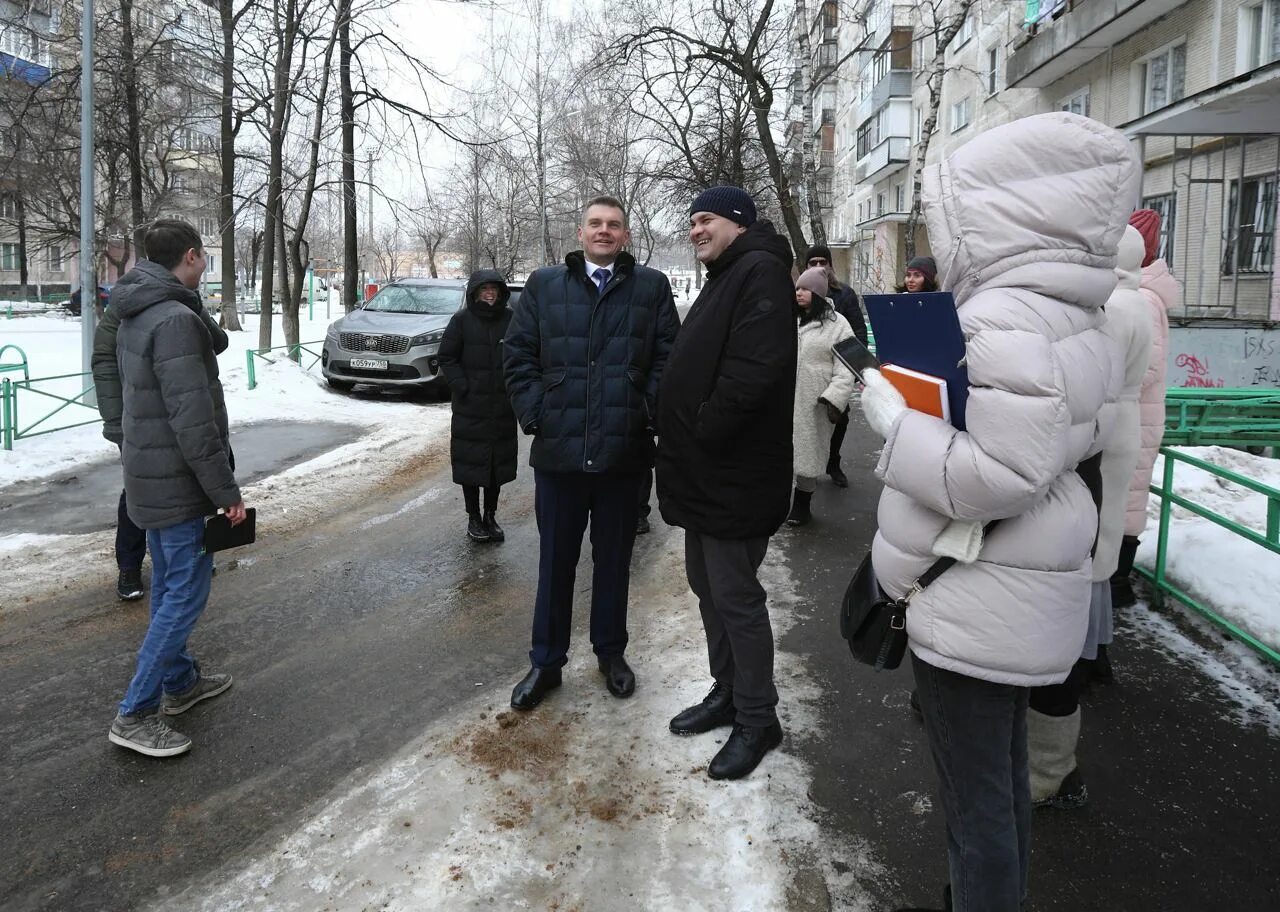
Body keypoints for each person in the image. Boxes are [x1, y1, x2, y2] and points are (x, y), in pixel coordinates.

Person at [861, 113, 1137, 912]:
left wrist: (896, 419)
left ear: (990, 214)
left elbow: (998, 475)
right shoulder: (1077, 313)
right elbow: (1067, 440)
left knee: (975, 800)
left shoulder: (1004, 316)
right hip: (1019, 588)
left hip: (977, 593)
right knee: (1000, 784)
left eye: (948, 214)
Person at [503, 195, 680, 710]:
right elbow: (517, 356)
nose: (604, 231)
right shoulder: (545, 286)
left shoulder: (650, 287)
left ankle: (610, 652)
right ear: (580, 233)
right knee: (555, 563)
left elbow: (669, 356)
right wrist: (537, 413)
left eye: (614, 225)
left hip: (624, 455)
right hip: (559, 455)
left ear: (626, 234)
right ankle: (546, 662)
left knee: (614, 562)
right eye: (595, 224)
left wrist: (644, 410)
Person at [656, 186, 797, 780]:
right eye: (691, 221)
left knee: (735, 596)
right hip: (704, 472)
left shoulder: (759, 271)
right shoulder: (729, 273)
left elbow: (753, 371)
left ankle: (758, 716)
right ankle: (728, 691)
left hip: (735, 473)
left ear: (738, 223)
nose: (695, 230)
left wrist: (703, 427)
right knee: (706, 586)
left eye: (705, 219)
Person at [107, 219, 248, 758]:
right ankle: (136, 712)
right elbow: (194, 422)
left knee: (169, 584)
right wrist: (225, 492)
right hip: (179, 483)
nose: (206, 263)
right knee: (184, 594)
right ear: (191, 257)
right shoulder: (173, 320)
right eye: (205, 255)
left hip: (151, 474)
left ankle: (181, 682)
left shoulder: (137, 311)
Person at [1026, 224, 1152, 811]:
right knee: (1088, 578)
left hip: (1091, 446)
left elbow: (1073, 390)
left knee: (1070, 590)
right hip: (1112, 443)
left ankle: (1051, 766)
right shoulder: (1136, 303)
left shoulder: (1111, 309)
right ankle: (1054, 755)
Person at [92, 271, 230, 602]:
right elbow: (104, 362)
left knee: (202, 480)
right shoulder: (127, 305)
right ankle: (129, 565)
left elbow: (219, 342)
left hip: (187, 412)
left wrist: (193, 303)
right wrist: (116, 421)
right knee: (141, 495)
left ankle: (193, 554)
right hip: (141, 422)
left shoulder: (181, 303)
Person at [1113, 208, 1176, 611]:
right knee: (1122, 500)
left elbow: (1144, 366)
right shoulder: (1139, 295)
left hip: (1135, 419)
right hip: (1131, 417)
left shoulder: (1144, 300)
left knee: (1125, 502)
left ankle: (1117, 584)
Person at [438, 270, 518, 544]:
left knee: (496, 465)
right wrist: (462, 386)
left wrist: (515, 387)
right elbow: (446, 357)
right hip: (470, 407)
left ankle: (490, 516)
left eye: (494, 289)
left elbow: (524, 354)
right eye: (484, 289)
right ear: (474, 292)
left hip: (502, 407)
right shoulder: (461, 321)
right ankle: (473, 517)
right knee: (470, 464)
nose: (490, 293)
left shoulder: (511, 320)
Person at [786, 266, 856, 527]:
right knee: (780, 453)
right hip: (785, 397)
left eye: (805, 289)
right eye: (797, 288)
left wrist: (834, 397)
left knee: (809, 454)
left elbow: (848, 367)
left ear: (817, 292)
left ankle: (802, 506)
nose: (799, 293)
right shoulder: (788, 318)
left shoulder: (838, 325)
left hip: (815, 400)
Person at [802, 243, 867, 488]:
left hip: (837, 368)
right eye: (813, 263)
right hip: (808, 367)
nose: (819, 267)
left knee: (839, 417)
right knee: (805, 419)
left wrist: (859, 369)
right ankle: (805, 468)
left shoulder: (845, 295)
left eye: (823, 262)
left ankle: (833, 461)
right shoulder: (800, 293)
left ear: (831, 264)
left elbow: (857, 331)